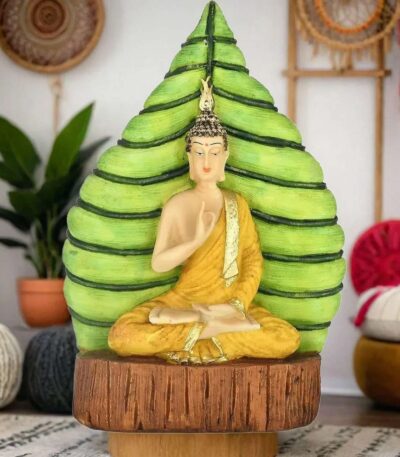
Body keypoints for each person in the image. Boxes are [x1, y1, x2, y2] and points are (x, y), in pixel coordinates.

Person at [108, 78, 300, 364]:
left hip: (229, 304)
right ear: (189, 157)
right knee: (122, 335)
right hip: (184, 299)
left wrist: (237, 305)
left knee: (286, 338)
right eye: (199, 152)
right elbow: (159, 263)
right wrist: (193, 242)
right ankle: (211, 329)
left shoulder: (236, 204)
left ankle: (199, 329)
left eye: (214, 152)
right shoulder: (177, 204)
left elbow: (252, 260)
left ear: (225, 157)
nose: (206, 160)